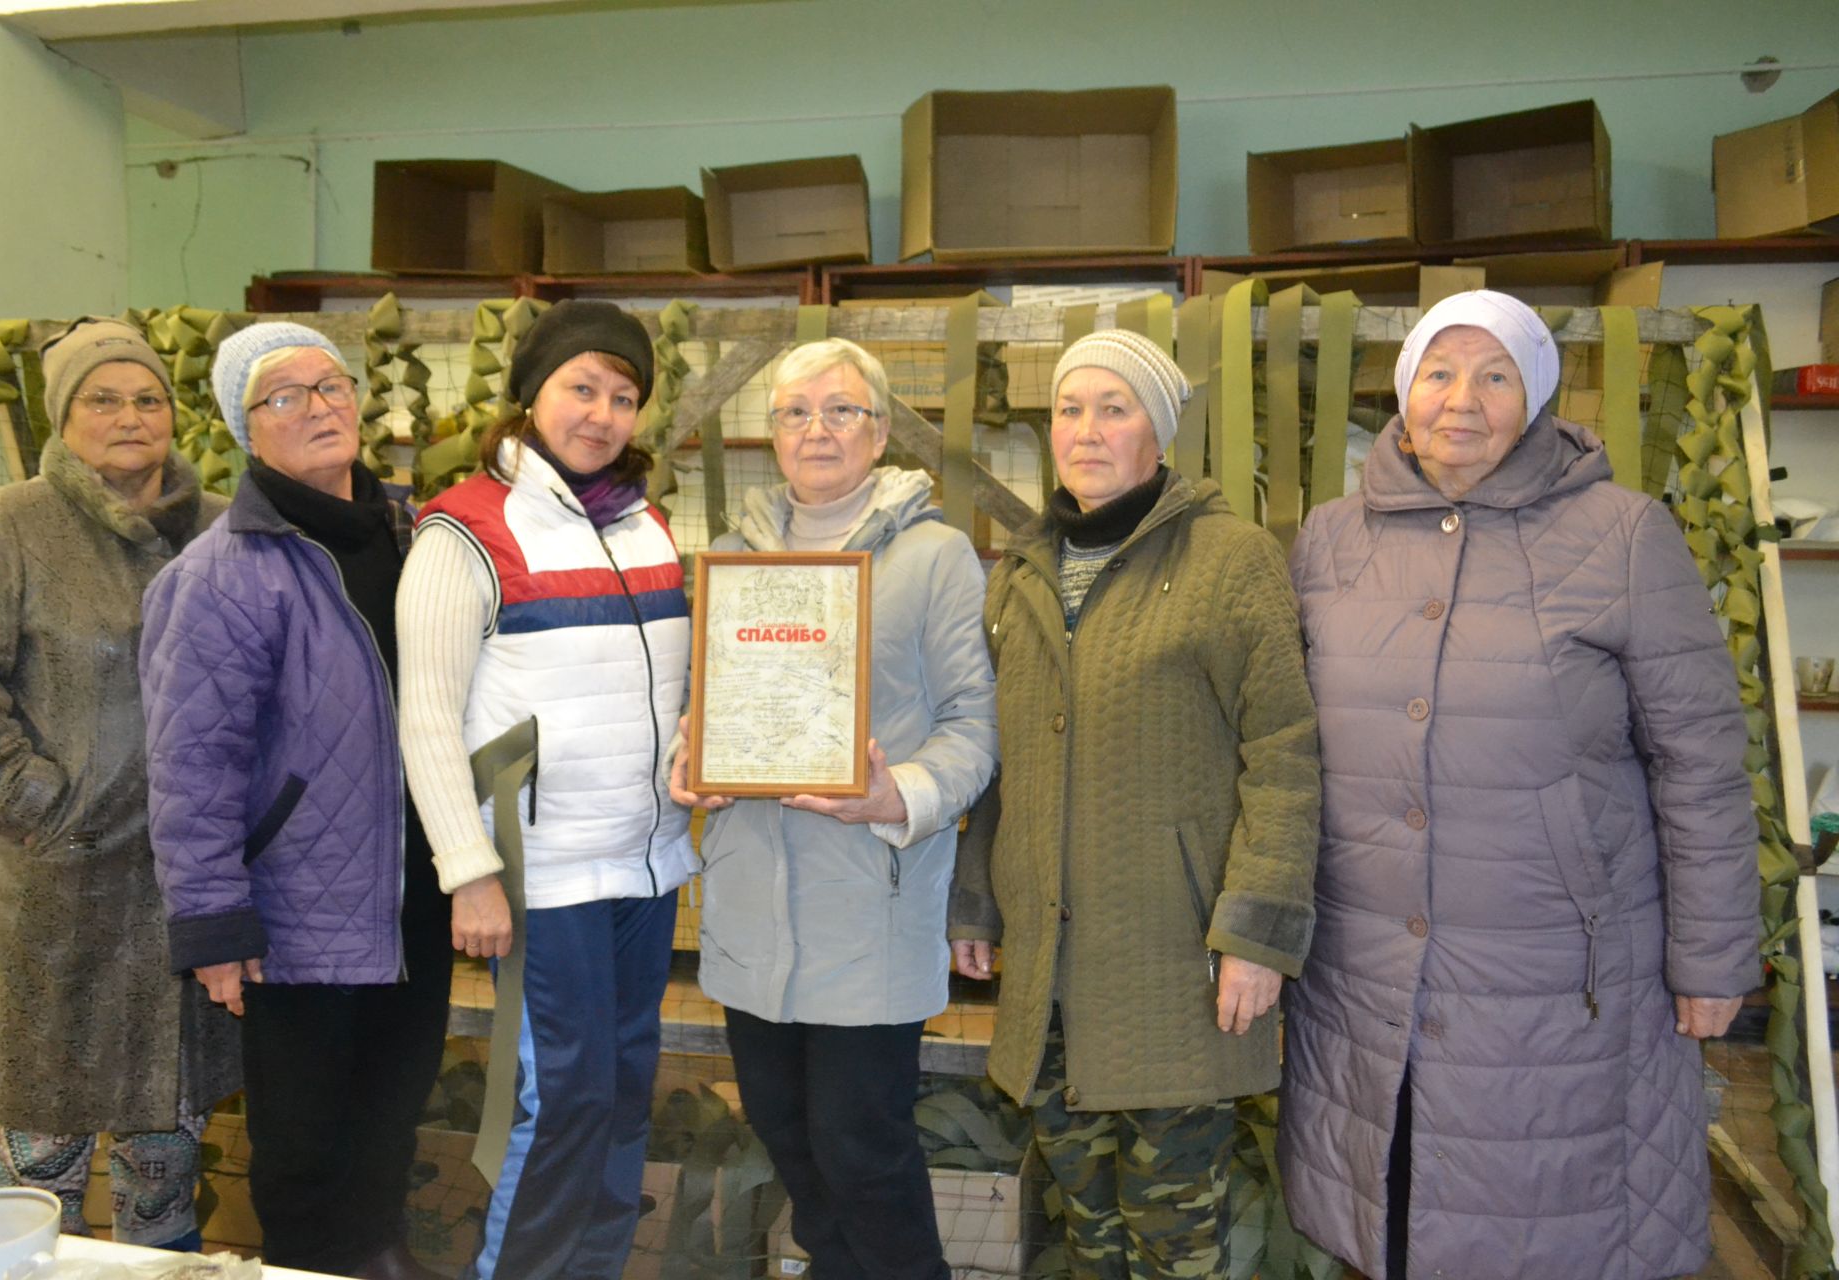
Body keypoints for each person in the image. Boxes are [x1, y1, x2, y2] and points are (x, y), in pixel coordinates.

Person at [1277, 290, 1760, 1280]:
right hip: (1366, 975)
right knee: (1390, 1224)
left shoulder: (1623, 535)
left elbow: (1701, 761)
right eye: (1440, 372)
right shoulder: (1329, 541)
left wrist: (1713, 959)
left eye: (1495, 374)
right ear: (1404, 390)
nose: (1464, 399)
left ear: (1534, 395)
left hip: (1560, 985)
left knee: (1550, 1237)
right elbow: (1283, 750)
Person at [948, 329, 1319, 1279]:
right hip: (1053, 971)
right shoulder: (1024, 572)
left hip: (1175, 969)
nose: (1087, 431)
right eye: (1070, 409)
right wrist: (976, 903)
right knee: (1084, 1230)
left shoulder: (1231, 559)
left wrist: (1256, 933)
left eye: (1114, 409)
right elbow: (1002, 756)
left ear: (1159, 430)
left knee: (1173, 1242)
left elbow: (1284, 752)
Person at [668, 337, 997, 1280]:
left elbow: (975, 726)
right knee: (791, 1145)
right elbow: (699, 709)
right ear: (769, 434)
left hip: (869, 901)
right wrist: (688, 764)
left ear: (882, 430)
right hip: (748, 909)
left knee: (863, 1149)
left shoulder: (935, 558)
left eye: (842, 409)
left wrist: (906, 794)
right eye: (796, 411)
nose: (818, 429)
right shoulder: (730, 557)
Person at [140, 322, 451, 1280]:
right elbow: (191, 762)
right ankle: (324, 1265)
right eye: (286, 397)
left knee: (392, 1110)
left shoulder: (415, 542)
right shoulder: (222, 576)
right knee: (307, 1144)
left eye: (333, 386)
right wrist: (213, 921)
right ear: (245, 428)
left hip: (413, 892)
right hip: (295, 911)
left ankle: (377, 1253)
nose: (320, 408)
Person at [0, 319, 238, 1249]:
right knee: (38, 1157)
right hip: (48, 894)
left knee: (166, 1162)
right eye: (102, 397)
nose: (129, 415)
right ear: (63, 415)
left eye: (148, 398)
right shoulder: (6, 526)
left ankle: (161, 1262)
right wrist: (33, 804)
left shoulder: (221, 528)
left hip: (181, 890)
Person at [396, 300, 694, 1280]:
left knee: (621, 1090)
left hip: (647, 865)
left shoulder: (647, 525)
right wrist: (469, 870)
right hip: (545, 872)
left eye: (623, 395)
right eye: (582, 387)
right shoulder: (464, 530)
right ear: (531, 395)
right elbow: (428, 715)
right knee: (562, 1096)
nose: (602, 414)